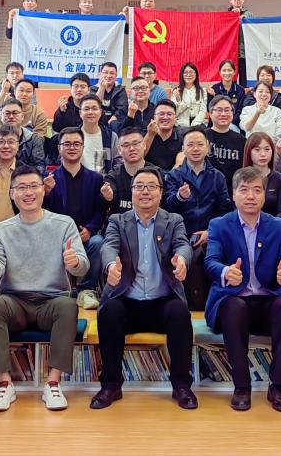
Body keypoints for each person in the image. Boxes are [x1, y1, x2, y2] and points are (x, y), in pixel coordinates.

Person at [0, 165, 88, 412]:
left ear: (43, 190)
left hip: (52, 300)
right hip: (15, 302)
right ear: (12, 193)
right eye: (21, 188)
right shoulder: (1, 230)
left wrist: (75, 262)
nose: (28, 193)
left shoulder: (64, 224)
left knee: (68, 305)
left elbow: (82, 268)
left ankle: (53, 383)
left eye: (33, 186)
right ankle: (4, 384)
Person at [91, 167, 197, 410]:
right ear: (132, 191)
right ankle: (111, 385)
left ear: (161, 192)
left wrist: (181, 260)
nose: (145, 192)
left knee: (180, 313)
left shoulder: (174, 221)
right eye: (139, 186)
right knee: (109, 311)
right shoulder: (118, 221)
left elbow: (183, 245)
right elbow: (108, 246)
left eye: (151, 186)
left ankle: (182, 386)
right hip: (127, 300)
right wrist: (111, 265)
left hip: (162, 302)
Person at [204, 166, 281, 412]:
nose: (250, 196)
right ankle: (242, 386)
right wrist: (226, 271)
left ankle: (278, 385)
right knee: (234, 307)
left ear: (264, 196)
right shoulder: (219, 225)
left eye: (257, 190)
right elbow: (210, 262)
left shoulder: (278, 226)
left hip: (268, 300)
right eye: (244, 190)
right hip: (233, 300)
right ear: (233, 194)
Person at [164, 127, 233, 310]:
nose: (195, 149)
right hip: (181, 234)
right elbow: (168, 208)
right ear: (183, 149)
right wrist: (180, 197)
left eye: (200, 144)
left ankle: (215, 303)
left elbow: (224, 209)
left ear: (207, 147)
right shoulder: (174, 176)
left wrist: (210, 232)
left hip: (210, 234)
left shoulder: (218, 176)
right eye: (190, 145)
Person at [43, 127, 109, 310]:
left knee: (98, 242)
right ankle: (54, 289)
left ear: (82, 147)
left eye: (76, 144)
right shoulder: (49, 179)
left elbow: (99, 210)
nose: (72, 148)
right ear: (59, 148)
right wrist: (45, 193)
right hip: (57, 236)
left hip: (85, 235)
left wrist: (90, 229)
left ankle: (86, 290)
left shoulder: (95, 179)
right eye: (67, 144)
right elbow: (42, 211)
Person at [0, 99, 46, 172]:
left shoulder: (33, 139)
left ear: (22, 116)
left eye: (15, 113)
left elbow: (39, 166)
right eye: (7, 113)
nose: (11, 116)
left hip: (25, 176)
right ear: (1, 116)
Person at [105, 128, 159, 216]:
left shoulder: (157, 174)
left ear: (144, 145)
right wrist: (107, 197)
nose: (131, 148)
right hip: (121, 223)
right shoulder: (114, 175)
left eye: (135, 144)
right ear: (119, 150)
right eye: (126, 145)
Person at [242, 132, 281, 219]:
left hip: (272, 224)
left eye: (267, 149)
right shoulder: (241, 178)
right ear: (249, 151)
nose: (263, 154)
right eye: (257, 150)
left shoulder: (279, 179)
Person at [206, 95, 246, 186]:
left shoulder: (242, 141)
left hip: (233, 189)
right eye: (219, 110)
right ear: (210, 114)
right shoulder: (202, 137)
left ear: (232, 113)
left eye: (227, 110)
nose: (223, 114)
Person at [79, 94, 121, 173]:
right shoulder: (73, 137)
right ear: (80, 113)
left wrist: (109, 178)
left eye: (94, 109)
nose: (90, 112)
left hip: (104, 179)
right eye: (86, 109)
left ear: (100, 112)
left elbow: (118, 162)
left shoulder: (111, 137)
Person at [143, 100, 183, 171]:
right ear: (154, 117)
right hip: (147, 174)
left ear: (175, 118)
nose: (165, 117)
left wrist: (170, 176)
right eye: (161, 114)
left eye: (169, 114)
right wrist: (150, 135)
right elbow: (139, 156)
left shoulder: (181, 139)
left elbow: (179, 164)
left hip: (172, 175)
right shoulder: (144, 134)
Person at [91, 61, 128, 128]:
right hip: (97, 122)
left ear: (116, 76)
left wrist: (108, 124)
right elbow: (94, 105)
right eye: (105, 72)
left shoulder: (120, 90)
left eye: (112, 73)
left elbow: (121, 110)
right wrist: (102, 88)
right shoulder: (93, 89)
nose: (108, 76)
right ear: (100, 75)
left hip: (115, 123)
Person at [172, 62, 207, 128]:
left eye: (191, 72)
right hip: (180, 126)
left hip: (197, 124)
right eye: (186, 72)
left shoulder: (202, 91)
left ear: (196, 74)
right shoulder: (176, 91)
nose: (188, 75)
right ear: (182, 75)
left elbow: (203, 111)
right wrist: (179, 101)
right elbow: (174, 113)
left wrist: (195, 124)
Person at [227, 0, 250, 77]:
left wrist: (242, 17)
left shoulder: (249, 15)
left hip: (245, 53)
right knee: (229, 79)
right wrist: (231, 16)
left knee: (244, 80)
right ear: (230, 0)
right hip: (228, 53)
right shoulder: (225, 16)